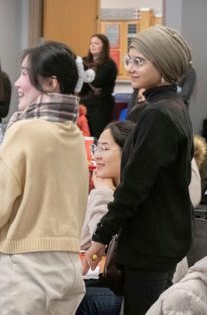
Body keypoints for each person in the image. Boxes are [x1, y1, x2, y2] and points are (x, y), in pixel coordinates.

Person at [83, 26, 194, 315]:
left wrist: (101, 237)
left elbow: (134, 186)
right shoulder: (171, 106)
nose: (130, 68)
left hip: (151, 244)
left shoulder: (158, 113)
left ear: (164, 64)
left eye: (139, 61)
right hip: (162, 239)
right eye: (130, 60)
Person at [0, 41, 88, 314]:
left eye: (24, 73)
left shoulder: (25, 130)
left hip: (26, 269)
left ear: (50, 84)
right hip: (68, 266)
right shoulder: (73, 134)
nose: (17, 82)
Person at [77, 121, 135, 315]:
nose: (97, 156)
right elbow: (84, 242)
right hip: (113, 281)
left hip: (137, 293)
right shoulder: (110, 189)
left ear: (127, 152)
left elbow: (104, 242)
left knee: (76, 302)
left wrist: (102, 193)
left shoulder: (136, 196)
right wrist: (99, 193)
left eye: (105, 148)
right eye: (96, 148)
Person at [80, 34, 118, 138]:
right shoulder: (84, 61)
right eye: (91, 43)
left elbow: (96, 82)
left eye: (96, 43)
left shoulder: (109, 64)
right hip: (84, 103)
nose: (93, 46)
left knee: (98, 135)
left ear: (104, 46)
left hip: (101, 106)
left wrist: (84, 78)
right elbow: (80, 83)